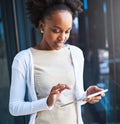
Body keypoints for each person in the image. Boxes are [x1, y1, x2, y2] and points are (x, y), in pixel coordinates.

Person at [9, 0, 105, 124]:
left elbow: (75, 99)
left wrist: (86, 95)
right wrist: (47, 102)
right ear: (42, 26)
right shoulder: (23, 59)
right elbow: (14, 108)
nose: (62, 37)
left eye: (67, 31)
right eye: (56, 30)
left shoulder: (75, 53)